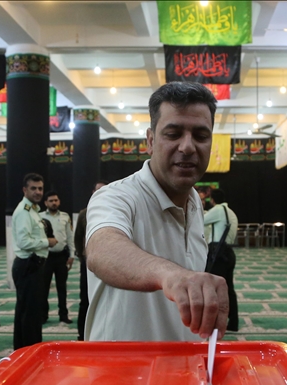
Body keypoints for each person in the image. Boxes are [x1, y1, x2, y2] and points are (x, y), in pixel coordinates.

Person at [84, 82, 228, 341]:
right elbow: (101, 249)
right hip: (122, 365)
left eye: (200, 136)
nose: (187, 147)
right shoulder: (116, 196)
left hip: (184, 363)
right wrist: (170, 276)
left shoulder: (195, 203)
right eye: (173, 134)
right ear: (150, 141)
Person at [12, 173, 58, 349]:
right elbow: (23, 242)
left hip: (33, 266)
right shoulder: (24, 212)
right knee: (30, 315)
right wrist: (47, 242)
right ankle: (30, 352)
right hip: (28, 266)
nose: (38, 192)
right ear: (25, 190)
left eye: (40, 188)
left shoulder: (33, 210)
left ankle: (23, 351)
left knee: (27, 312)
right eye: (33, 188)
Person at [74, 180, 107, 341]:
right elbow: (78, 238)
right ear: (92, 192)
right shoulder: (84, 214)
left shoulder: (115, 212)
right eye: (97, 190)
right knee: (85, 300)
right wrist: (84, 258)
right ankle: (82, 335)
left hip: (108, 265)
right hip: (87, 264)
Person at [204, 188, 240, 332]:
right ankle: (233, 322)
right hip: (229, 252)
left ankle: (213, 323)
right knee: (228, 289)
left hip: (218, 252)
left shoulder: (218, 210)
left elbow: (199, 221)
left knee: (212, 287)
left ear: (212, 200)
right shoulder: (231, 212)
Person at [40, 191, 75, 324]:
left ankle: (63, 315)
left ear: (59, 201)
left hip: (61, 257)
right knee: (44, 288)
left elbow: (70, 237)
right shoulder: (40, 217)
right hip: (46, 257)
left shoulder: (65, 217)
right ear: (46, 203)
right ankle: (43, 315)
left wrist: (72, 255)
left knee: (62, 288)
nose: (54, 203)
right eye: (51, 201)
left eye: (56, 200)